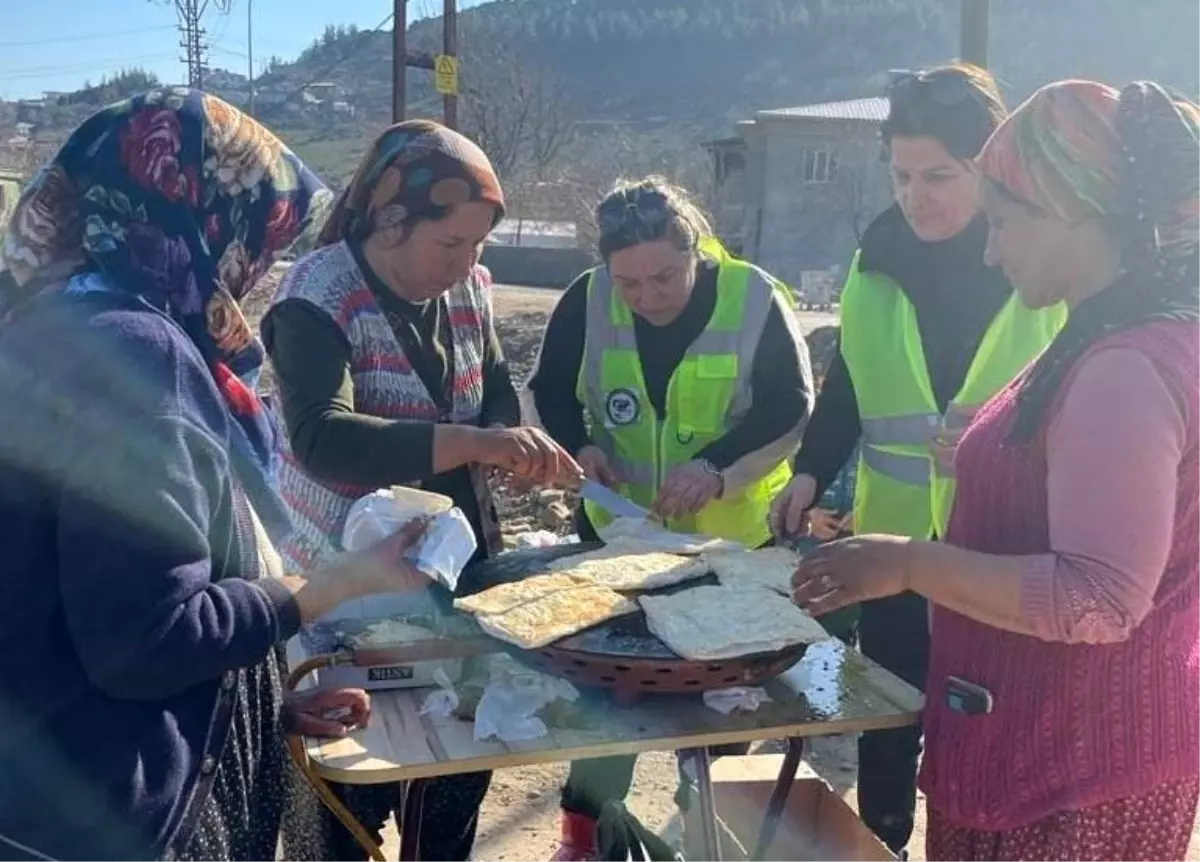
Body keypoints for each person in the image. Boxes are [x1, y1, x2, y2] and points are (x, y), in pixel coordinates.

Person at [0, 90, 431, 862]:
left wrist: (258, 705)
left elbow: (80, 612)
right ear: (204, 217)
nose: (259, 270)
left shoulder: (48, 325)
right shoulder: (139, 356)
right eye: (262, 237)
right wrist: (333, 586)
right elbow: (144, 642)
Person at [793, 77, 1200, 862]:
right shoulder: (1135, 338)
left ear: (1074, 213)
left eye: (1005, 221)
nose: (989, 247)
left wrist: (909, 562)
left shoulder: (1124, 366)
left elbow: (1097, 598)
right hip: (1066, 750)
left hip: (1066, 775)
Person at [262, 119, 581, 862]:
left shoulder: (468, 287)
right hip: (344, 586)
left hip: (451, 577)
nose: (466, 262)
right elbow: (322, 438)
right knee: (349, 797)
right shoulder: (317, 295)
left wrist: (510, 441)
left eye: (478, 245)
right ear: (391, 220)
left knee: (452, 781)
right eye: (450, 244)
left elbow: (493, 390)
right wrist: (472, 441)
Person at [769, 62, 1066, 853]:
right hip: (894, 550)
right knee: (890, 714)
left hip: (1001, 552)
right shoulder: (877, 260)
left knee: (981, 722)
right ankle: (885, 840)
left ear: (991, 166)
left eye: (941, 174)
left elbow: (1082, 389)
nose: (917, 195)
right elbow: (848, 386)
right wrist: (807, 469)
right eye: (901, 174)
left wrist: (1005, 440)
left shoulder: (1037, 260)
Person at [527, 176, 814, 861]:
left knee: (723, 701)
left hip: (729, 543)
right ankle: (585, 833)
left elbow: (789, 407)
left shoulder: (751, 297)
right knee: (608, 696)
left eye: (665, 276)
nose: (648, 297)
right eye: (629, 282)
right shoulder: (586, 298)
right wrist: (582, 449)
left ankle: (701, 827)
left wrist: (717, 467)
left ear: (696, 248)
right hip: (619, 539)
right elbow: (550, 392)